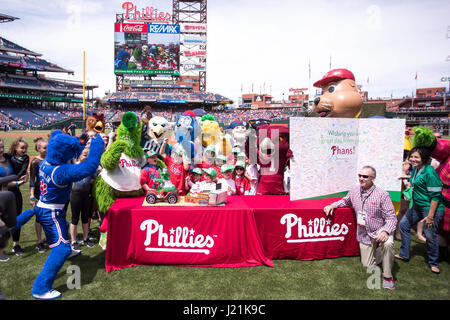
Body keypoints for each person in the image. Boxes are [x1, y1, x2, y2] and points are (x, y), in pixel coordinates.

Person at [323, 165, 397, 290]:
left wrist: (385, 231)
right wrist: (332, 205)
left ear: (373, 178)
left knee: (388, 244)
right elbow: (345, 201)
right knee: (368, 265)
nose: (361, 178)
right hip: (364, 232)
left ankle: (388, 276)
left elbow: (391, 218)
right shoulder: (354, 191)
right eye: (360, 175)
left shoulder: (383, 195)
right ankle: (382, 252)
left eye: (365, 176)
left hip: (380, 229)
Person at [396, 147, 445, 274]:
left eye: (416, 157)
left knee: (429, 234)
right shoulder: (416, 169)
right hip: (417, 206)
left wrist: (430, 216)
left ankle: (433, 262)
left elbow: (436, 197)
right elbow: (417, 181)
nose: (413, 159)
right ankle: (404, 254)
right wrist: (405, 176)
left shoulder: (430, 172)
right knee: (403, 225)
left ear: (424, 158)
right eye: (411, 157)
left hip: (431, 208)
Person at [69, 148, 96, 253]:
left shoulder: (90, 167)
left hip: (86, 195)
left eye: (88, 155)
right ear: (79, 156)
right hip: (76, 194)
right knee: (75, 218)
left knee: (85, 217)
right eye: (84, 155)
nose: (86, 157)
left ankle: (85, 238)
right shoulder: (75, 167)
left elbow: (93, 178)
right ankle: (74, 241)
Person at [7, 137, 30, 256]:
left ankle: (16, 244)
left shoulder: (25, 158)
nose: (24, 150)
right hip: (5, 190)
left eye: (25, 148)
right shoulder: (8, 157)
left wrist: (19, 178)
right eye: (22, 148)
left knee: (17, 218)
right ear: (15, 148)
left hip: (15, 191)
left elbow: (23, 170)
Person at [29, 137, 48, 253]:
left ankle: (47, 238)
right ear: (38, 149)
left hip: (48, 191)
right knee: (39, 217)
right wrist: (32, 195)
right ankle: (39, 241)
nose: (47, 150)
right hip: (38, 191)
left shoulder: (49, 159)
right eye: (45, 148)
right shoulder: (35, 162)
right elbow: (32, 180)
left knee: (48, 215)